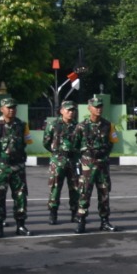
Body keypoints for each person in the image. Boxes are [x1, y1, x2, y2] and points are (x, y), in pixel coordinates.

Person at [72, 95, 117, 233]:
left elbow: (112, 142)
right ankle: (81, 220)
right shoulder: (81, 126)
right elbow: (74, 145)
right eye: (96, 107)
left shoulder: (108, 125)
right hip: (87, 165)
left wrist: (104, 154)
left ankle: (104, 221)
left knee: (104, 193)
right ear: (89, 108)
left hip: (102, 164)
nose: (99, 109)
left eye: (100, 106)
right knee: (84, 192)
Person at [0, 96, 31, 238]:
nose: (11, 110)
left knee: (21, 197)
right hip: (1, 167)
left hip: (18, 167)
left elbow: (27, 141)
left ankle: (20, 225)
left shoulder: (21, 125)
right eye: (8, 107)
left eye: (13, 107)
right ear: (1, 109)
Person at [44, 100, 80, 224]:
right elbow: (46, 142)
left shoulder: (77, 126)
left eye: (72, 110)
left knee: (75, 188)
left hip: (73, 160)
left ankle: (75, 213)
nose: (70, 112)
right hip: (58, 160)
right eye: (68, 110)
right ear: (61, 111)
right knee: (55, 187)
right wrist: (57, 152)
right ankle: (53, 213)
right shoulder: (53, 125)